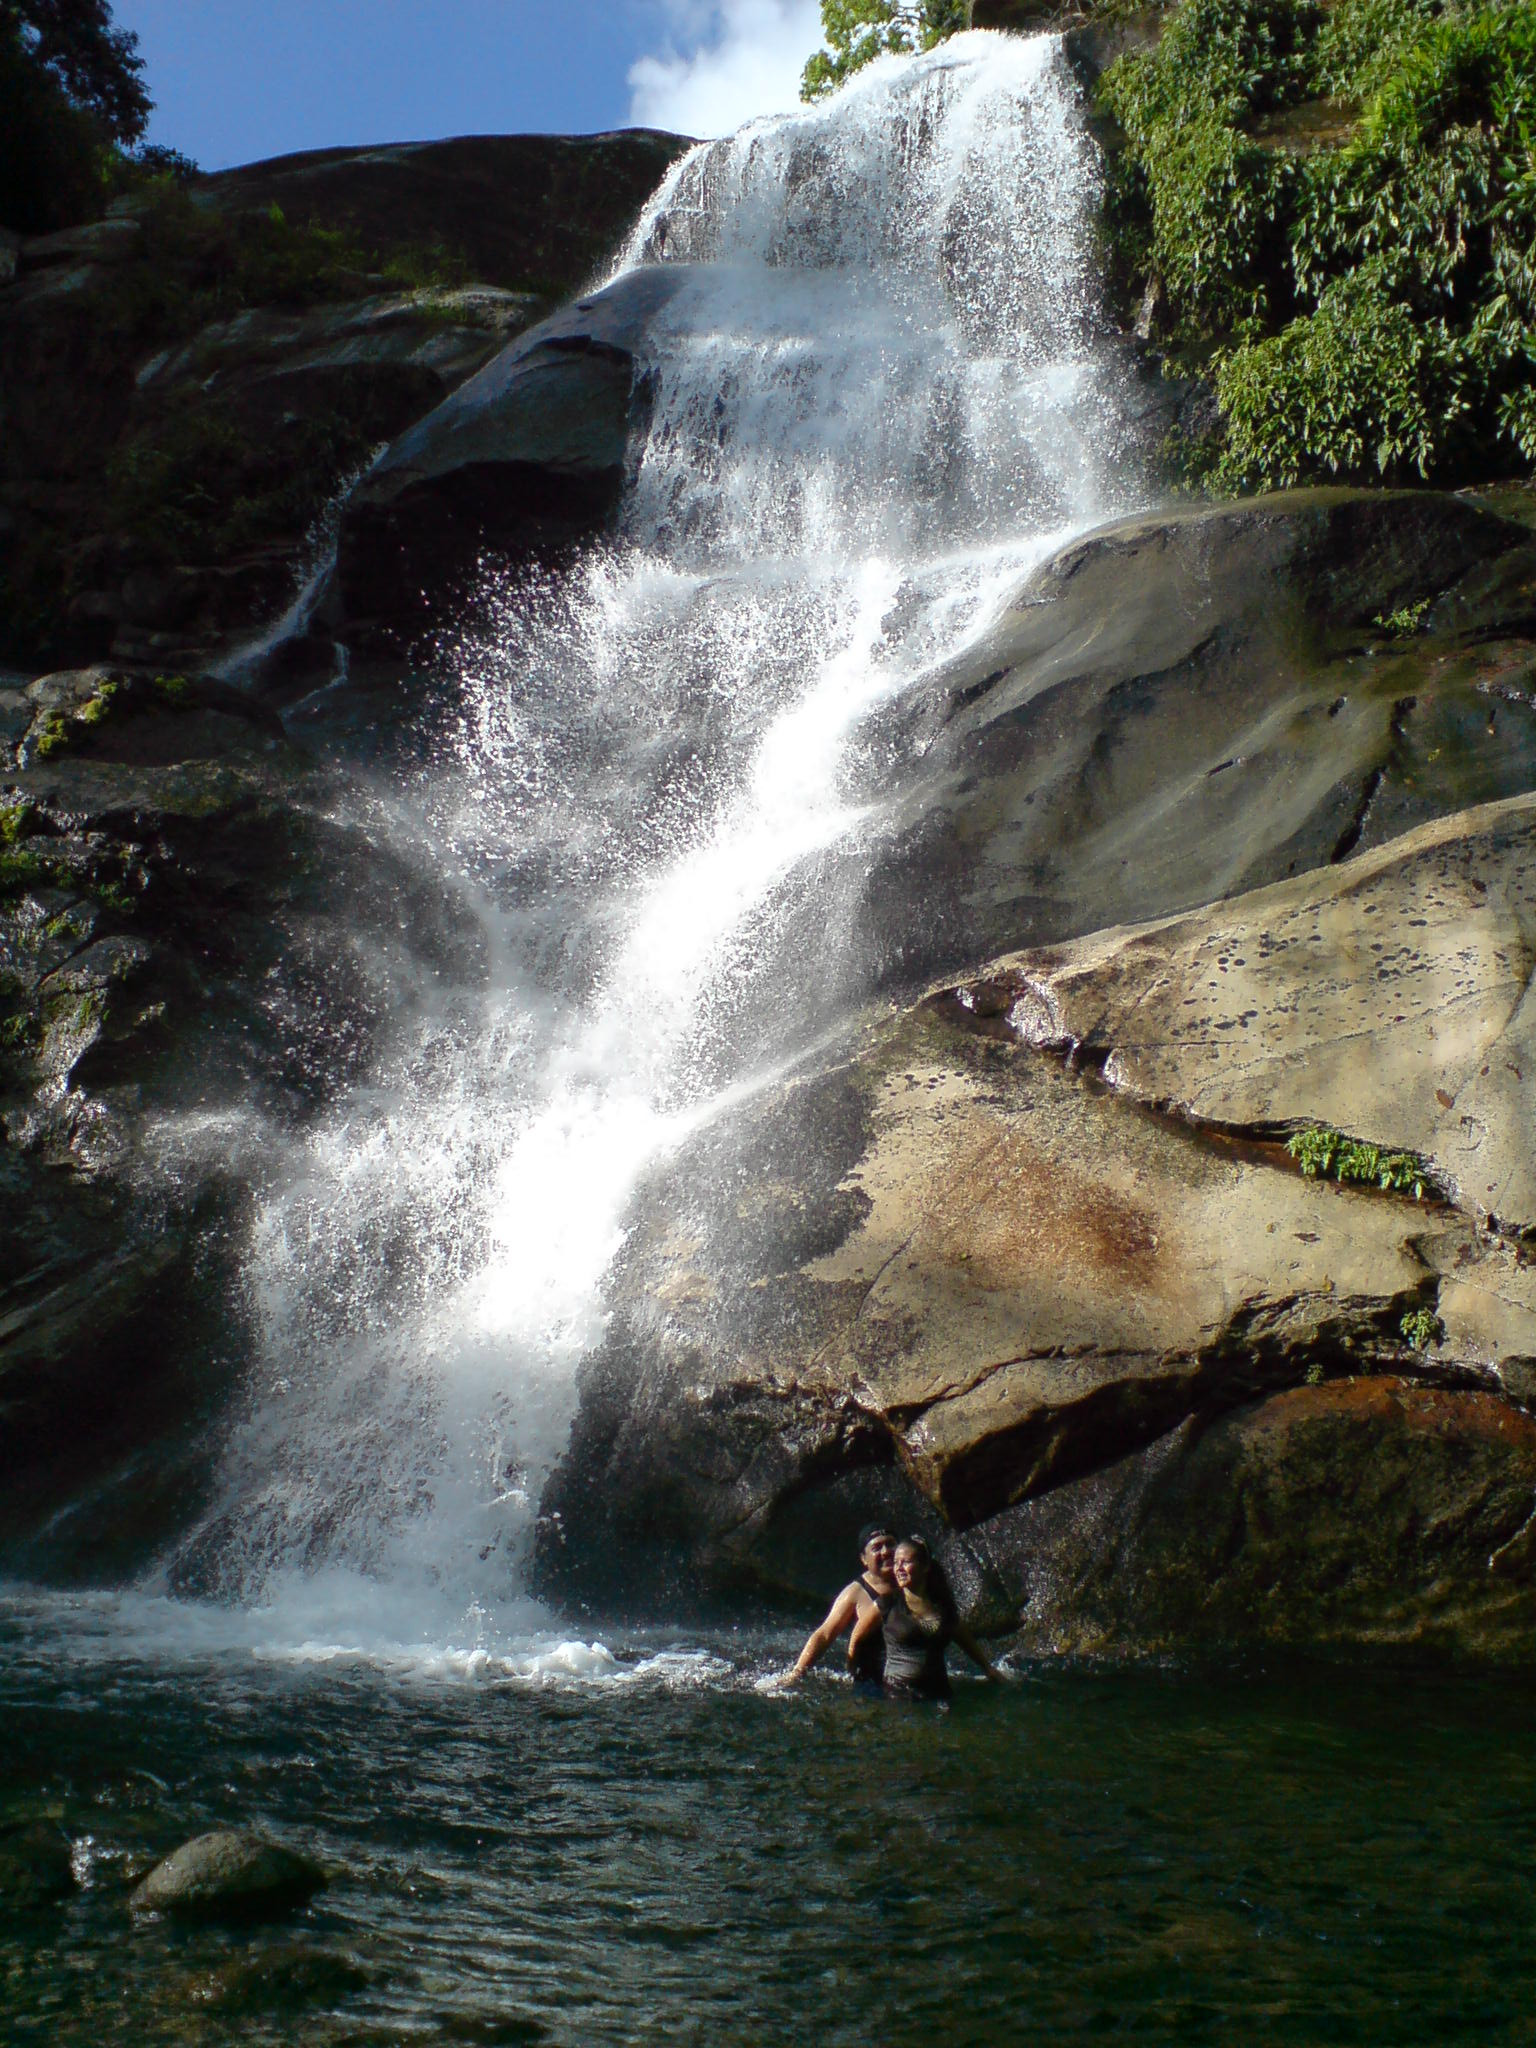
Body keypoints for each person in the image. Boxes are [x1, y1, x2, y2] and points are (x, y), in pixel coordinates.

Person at [850, 1535, 1001, 1701]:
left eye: (906, 1562)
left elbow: (964, 1638)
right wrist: (855, 1675)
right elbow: (856, 1637)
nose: (898, 1569)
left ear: (925, 1566)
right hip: (899, 1693)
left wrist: (987, 1668)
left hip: (939, 1693)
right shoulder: (887, 1603)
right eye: (896, 1563)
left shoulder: (943, 1607)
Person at [783, 1524, 897, 1688]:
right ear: (864, 1559)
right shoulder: (855, 1592)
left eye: (890, 1544)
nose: (886, 1551)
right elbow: (824, 1634)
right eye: (877, 1547)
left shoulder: (913, 1583)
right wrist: (797, 1672)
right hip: (872, 1683)